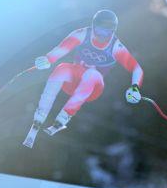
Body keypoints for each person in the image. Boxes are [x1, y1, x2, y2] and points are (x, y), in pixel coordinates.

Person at [23, 9, 144, 148]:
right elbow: (61, 49)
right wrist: (47, 59)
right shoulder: (82, 34)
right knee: (61, 68)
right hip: (73, 82)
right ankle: (40, 114)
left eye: (107, 32)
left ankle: (65, 116)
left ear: (113, 31)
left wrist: (135, 87)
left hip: (92, 88)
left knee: (92, 74)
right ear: (93, 26)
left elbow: (137, 69)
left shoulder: (116, 46)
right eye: (99, 30)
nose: (102, 35)